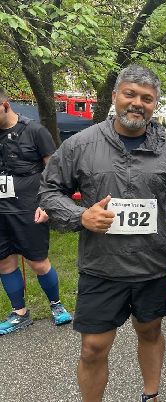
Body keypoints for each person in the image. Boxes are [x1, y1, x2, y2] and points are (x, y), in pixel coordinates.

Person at [38, 65, 166, 402]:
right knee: (93, 347)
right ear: (115, 96)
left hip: (153, 266)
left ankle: (151, 396)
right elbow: (49, 192)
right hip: (102, 267)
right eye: (130, 94)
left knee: (150, 330)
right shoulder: (80, 144)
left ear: (154, 104)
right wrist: (81, 216)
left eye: (147, 98)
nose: (137, 103)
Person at [0, 90, 72, 335]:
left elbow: (53, 172)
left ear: (5, 105)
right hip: (1, 212)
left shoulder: (35, 131)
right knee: (4, 262)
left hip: (30, 208)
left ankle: (56, 305)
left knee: (38, 262)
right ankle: (19, 313)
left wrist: (48, 204)